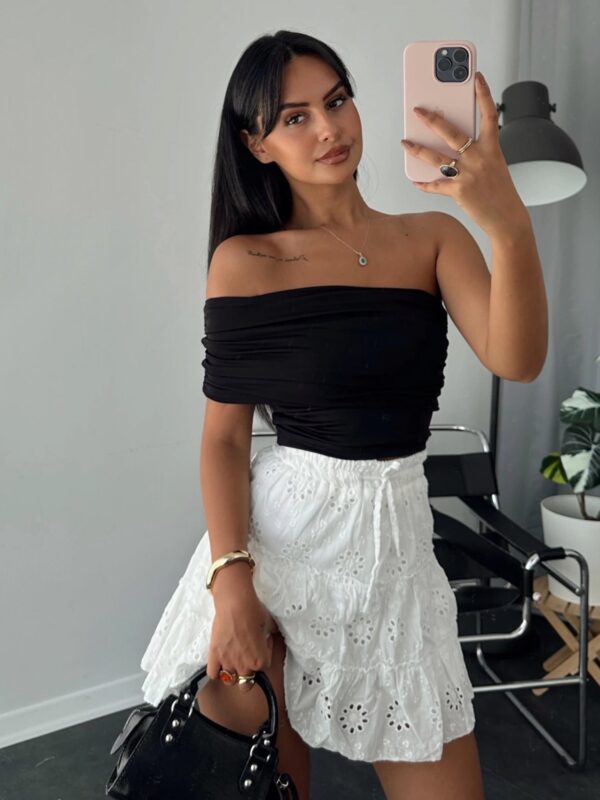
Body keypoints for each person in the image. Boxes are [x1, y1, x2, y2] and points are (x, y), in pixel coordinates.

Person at [140, 29, 546, 800]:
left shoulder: (432, 238)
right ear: (256, 144)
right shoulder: (246, 262)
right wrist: (231, 583)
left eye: (336, 101)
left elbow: (518, 359)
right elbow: (224, 438)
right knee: (272, 788)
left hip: (397, 553)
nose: (328, 128)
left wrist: (507, 221)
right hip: (281, 554)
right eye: (295, 117)